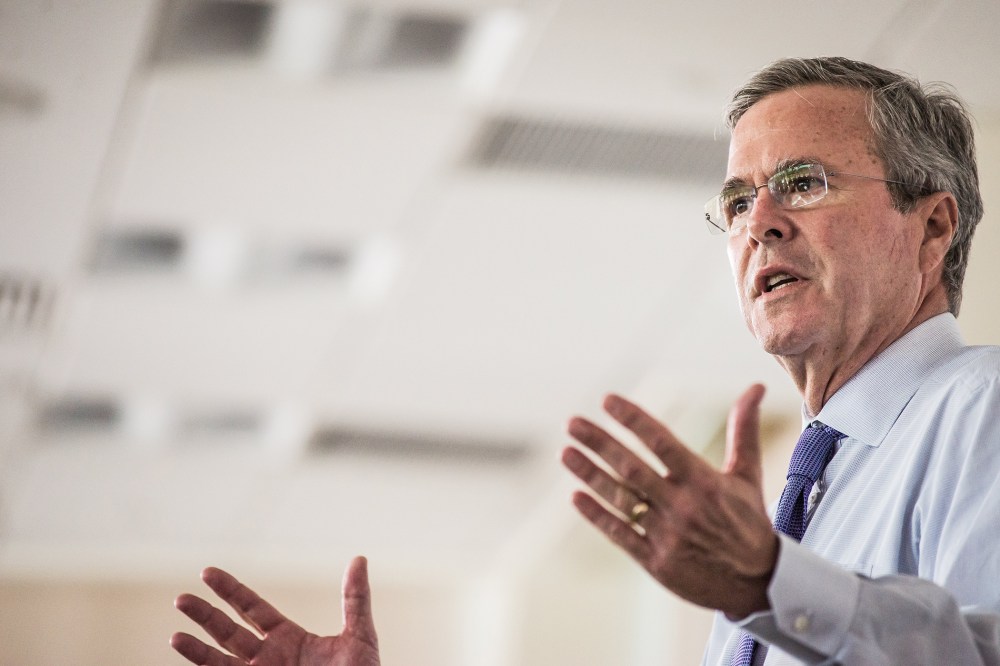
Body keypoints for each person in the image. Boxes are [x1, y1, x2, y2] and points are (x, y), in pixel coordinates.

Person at [171, 56, 999, 665]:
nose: (760, 223)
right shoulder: (796, 502)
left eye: (804, 181)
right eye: (738, 200)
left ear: (932, 229)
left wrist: (768, 583)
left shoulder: (983, 406)